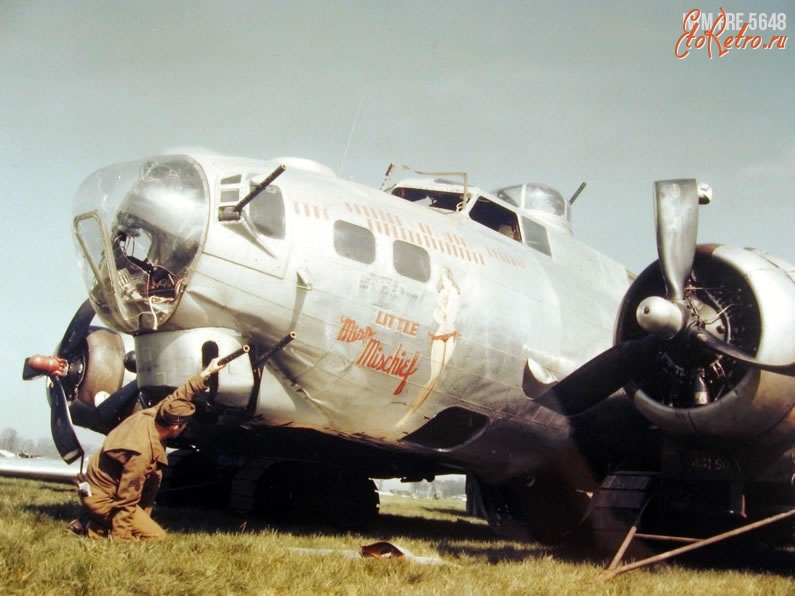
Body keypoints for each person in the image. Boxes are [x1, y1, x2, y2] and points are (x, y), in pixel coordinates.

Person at [67, 357, 227, 541]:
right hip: (104, 500)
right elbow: (126, 500)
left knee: (154, 478)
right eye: (185, 425)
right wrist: (122, 540)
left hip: (99, 490)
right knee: (156, 537)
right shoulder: (141, 452)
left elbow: (178, 396)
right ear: (175, 427)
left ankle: (96, 521)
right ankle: (93, 528)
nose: (186, 428)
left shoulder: (153, 415)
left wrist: (207, 372)